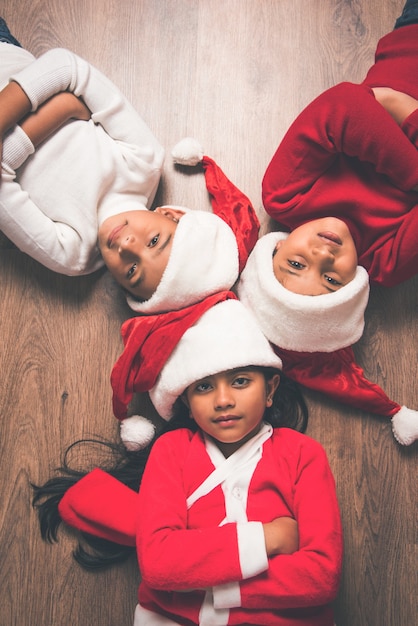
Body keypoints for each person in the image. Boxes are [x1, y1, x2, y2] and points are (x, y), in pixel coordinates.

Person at [32, 295, 343, 626]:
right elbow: (158, 564)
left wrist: (205, 579)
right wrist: (269, 538)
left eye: (240, 381)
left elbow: (321, 576)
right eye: (205, 387)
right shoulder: (172, 451)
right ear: (188, 401)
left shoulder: (304, 455)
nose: (223, 400)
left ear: (269, 389)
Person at [238, 1, 418, 446]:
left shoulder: (285, 194)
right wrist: (399, 115)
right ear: (354, 285)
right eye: (331, 279)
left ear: (274, 249)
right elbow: (371, 108)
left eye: (296, 266)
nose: (321, 254)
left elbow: (344, 106)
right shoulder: (387, 259)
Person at [0, 22, 259, 313]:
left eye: (133, 271)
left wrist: (68, 108)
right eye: (154, 241)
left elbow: (72, 95)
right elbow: (67, 67)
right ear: (170, 214)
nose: (127, 247)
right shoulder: (143, 162)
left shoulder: (71, 255)